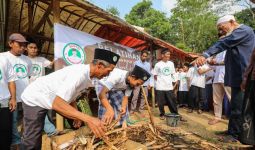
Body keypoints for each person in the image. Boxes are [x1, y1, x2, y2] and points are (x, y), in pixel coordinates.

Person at [20, 48, 120, 149]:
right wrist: (89, 119)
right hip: (34, 98)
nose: (108, 74)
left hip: (50, 99)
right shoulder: (79, 75)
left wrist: (76, 114)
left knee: (74, 118)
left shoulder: (88, 76)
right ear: (100, 66)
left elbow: (71, 95)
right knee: (32, 139)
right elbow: (57, 103)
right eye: (109, 71)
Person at [195, 15, 255, 141]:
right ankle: (231, 130)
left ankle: (235, 135)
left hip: (243, 75)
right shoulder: (235, 36)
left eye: (222, 28)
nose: (221, 31)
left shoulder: (243, 31)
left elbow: (224, 42)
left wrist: (205, 54)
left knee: (238, 106)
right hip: (235, 76)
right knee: (235, 105)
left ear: (232, 22)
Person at [3, 33, 32, 149]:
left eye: (24, 45)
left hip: (26, 95)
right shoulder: (3, 57)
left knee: (27, 119)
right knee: (13, 121)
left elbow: (28, 76)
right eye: (19, 44)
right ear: (10, 43)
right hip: (10, 96)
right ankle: (15, 142)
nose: (23, 47)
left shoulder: (27, 60)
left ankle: (25, 139)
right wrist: (11, 96)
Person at [26, 37, 58, 136]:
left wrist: (57, 56)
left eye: (35, 48)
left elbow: (51, 65)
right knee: (34, 111)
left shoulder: (41, 59)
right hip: (29, 90)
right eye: (31, 47)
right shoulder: (23, 60)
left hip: (42, 89)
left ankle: (48, 130)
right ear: (26, 48)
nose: (33, 49)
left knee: (46, 110)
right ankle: (50, 130)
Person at [153, 48, 183, 120]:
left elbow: (173, 73)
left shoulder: (171, 63)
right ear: (162, 55)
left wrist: (173, 82)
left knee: (172, 101)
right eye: (167, 54)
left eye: (169, 54)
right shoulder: (158, 64)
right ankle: (162, 114)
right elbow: (155, 75)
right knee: (161, 102)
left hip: (169, 86)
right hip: (160, 86)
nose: (169, 56)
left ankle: (175, 114)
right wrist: (160, 82)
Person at [208, 51, 231, 125]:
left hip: (228, 77)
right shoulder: (218, 53)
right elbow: (214, 67)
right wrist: (210, 62)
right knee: (216, 100)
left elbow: (228, 62)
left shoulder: (231, 49)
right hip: (217, 78)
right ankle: (217, 117)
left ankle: (236, 119)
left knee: (232, 100)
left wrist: (216, 63)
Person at [0, 53, 17, 150]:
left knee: (5, 133)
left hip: (3, 103)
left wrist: (13, 98)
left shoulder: (3, 59)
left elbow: (11, 80)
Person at [239, 47, 255, 145]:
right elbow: (251, 62)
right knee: (249, 110)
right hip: (253, 79)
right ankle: (248, 138)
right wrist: (245, 77)